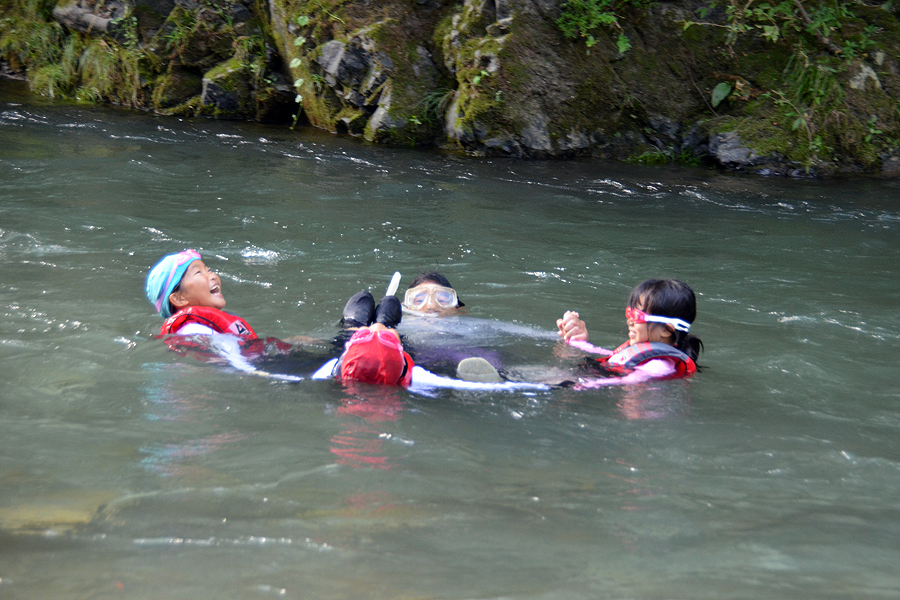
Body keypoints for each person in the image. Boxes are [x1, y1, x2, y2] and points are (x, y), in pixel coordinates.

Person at [556, 278, 703, 386]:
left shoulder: (659, 366)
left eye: (637, 316)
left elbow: (622, 382)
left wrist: (574, 384)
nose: (630, 321)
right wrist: (576, 340)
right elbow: (606, 355)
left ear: (666, 330)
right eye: (630, 313)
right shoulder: (641, 353)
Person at [145, 249, 255, 338]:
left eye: (208, 270)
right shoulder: (193, 332)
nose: (213, 276)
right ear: (179, 298)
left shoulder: (203, 328)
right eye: (198, 272)